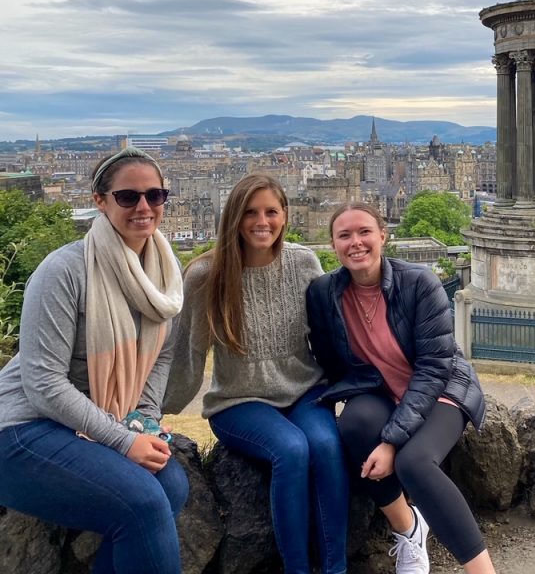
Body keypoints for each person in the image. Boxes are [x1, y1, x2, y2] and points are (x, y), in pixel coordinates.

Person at [0, 147, 188, 573]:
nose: (144, 207)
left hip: (96, 419)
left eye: (156, 196)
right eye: (128, 197)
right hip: (21, 427)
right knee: (142, 502)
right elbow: (43, 382)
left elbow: (163, 353)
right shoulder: (64, 270)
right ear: (100, 201)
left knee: (171, 485)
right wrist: (123, 440)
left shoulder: (165, 271)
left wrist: (144, 419)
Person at [163, 174, 348, 574]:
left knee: (326, 447)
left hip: (303, 390)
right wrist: (152, 414)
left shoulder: (304, 263)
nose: (261, 221)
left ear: (285, 216)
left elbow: (329, 336)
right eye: (250, 212)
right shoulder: (205, 275)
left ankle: (336, 568)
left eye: (271, 211)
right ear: (233, 217)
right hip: (238, 400)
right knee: (291, 450)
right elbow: (187, 355)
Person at [305, 201, 496, 574]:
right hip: (383, 390)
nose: (355, 243)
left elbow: (434, 366)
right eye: (344, 235)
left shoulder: (418, 282)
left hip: (442, 389)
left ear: (383, 236)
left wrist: (392, 441)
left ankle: (483, 571)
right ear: (332, 244)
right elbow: (331, 362)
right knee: (355, 426)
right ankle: (409, 529)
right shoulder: (323, 294)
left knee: (413, 462)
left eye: (364, 232)